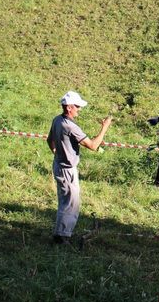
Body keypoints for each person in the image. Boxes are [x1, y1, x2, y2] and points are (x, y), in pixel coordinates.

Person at [47, 91, 112, 245]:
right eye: (77, 106)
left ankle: (61, 234)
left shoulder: (57, 120)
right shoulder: (71, 127)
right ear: (69, 107)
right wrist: (104, 128)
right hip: (67, 169)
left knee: (65, 201)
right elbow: (93, 145)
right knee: (71, 204)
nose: (79, 109)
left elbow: (50, 140)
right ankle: (62, 238)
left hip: (59, 165)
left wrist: (58, 153)